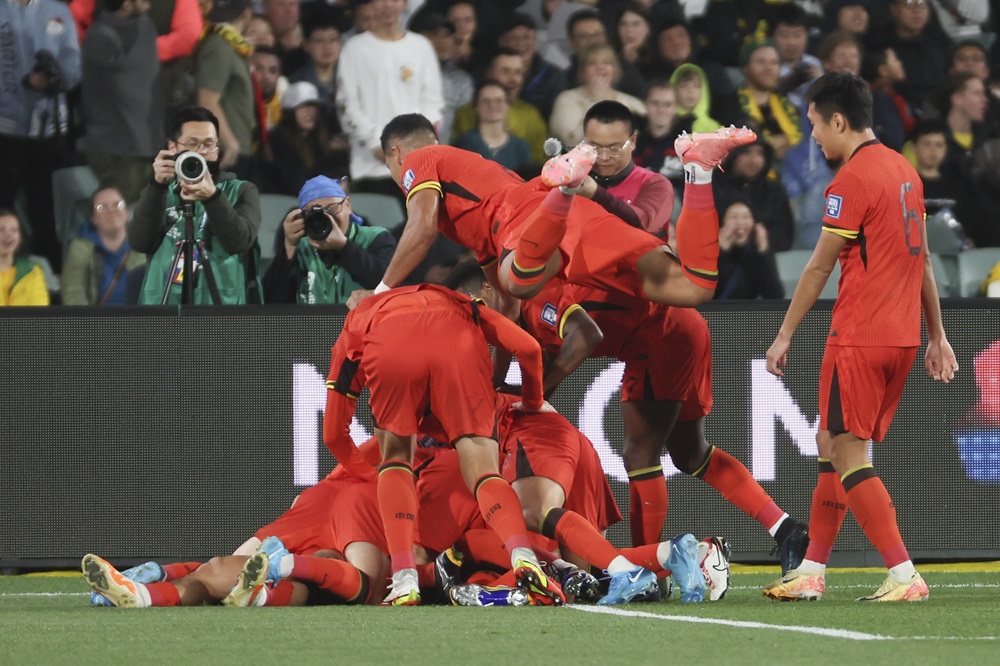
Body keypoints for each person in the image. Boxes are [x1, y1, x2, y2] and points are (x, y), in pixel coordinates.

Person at [764, 72, 958, 602]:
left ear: (839, 121)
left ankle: (902, 573)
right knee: (833, 444)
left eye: (814, 126)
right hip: (903, 337)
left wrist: (783, 335)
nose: (813, 138)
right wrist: (937, 334)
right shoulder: (904, 171)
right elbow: (920, 264)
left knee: (849, 452)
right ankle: (811, 570)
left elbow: (819, 267)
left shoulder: (850, 180)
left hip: (859, 336)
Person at [354, 113, 755, 320]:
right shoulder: (471, 195)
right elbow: (507, 308)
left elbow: (420, 228)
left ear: (395, 154)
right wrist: (500, 380)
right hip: (560, 214)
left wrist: (380, 294)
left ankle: (563, 188)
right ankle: (698, 171)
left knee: (519, 280)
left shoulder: (420, 159)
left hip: (528, 214)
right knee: (693, 289)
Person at [322, 283, 566, 606]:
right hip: (457, 336)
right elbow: (530, 349)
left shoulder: (358, 321)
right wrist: (533, 400)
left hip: (389, 342)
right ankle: (523, 554)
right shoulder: (465, 304)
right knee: (483, 473)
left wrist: (368, 475)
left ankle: (405, 578)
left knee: (395, 462)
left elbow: (333, 435)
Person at [128, 106, 262, 305]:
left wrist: (212, 197)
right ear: (172, 147)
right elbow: (139, 242)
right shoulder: (160, 191)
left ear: (217, 149)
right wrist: (156, 186)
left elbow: (239, 242)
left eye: (209, 144)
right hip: (165, 311)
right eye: (193, 144)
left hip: (219, 310)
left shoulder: (241, 191)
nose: (201, 151)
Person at [0, 0, 81, 274]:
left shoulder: (57, 12)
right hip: (4, 131)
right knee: (3, 210)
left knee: (44, 212)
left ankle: (50, 280)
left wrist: (55, 78)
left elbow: (73, 66)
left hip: (45, 132)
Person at [335, 0, 444, 197]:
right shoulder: (354, 49)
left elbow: (432, 102)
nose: (387, 5)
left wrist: (416, 145)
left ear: (405, 4)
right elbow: (347, 105)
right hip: (371, 167)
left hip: (417, 167)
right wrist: (377, 144)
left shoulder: (421, 46)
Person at [262, 176, 396, 304]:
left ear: (348, 205)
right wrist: (289, 246)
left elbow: (388, 284)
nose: (327, 217)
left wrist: (343, 247)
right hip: (311, 327)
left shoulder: (375, 237)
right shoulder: (300, 246)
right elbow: (271, 302)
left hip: (360, 326)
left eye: (332, 208)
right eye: (315, 213)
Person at [79, 0, 163, 205]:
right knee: (121, 219)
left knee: (149, 220)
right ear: (125, 4)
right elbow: (102, 95)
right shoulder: (100, 36)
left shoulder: (146, 26)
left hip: (148, 144)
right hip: (116, 148)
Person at [572, 100, 674, 238]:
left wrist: (596, 194)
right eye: (594, 147)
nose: (604, 156)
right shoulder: (571, 181)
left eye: (614, 148)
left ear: (632, 141)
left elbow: (646, 224)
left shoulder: (655, 184)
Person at [549, 43, 646, 147]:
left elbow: (643, 141)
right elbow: (572, 142)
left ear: (615, 69)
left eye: (607, 62)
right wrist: (597, 101)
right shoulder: (566, 99)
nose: (600, 67)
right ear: (582, 70)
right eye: (592, 63)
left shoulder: (632, 102)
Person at [61, 188, 147, 305]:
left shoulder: (145, 244)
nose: (111, 210)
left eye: (117, 204)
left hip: (139, 320)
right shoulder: (79, 248)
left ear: (127, 212)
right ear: (93, 218)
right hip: (97, 320)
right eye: (101, 207)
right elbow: (74, 292)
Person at [263, 82, 348, 197]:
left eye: (313, 106)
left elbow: (332, 170)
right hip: (285, 206)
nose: (310, 112)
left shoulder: (316, 139)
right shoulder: (279, 140)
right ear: (290, 112)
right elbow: (295, 183)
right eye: (303, 107)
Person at [714, 197, 784, 300]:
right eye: (733, 217)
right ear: (722, 222)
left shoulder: (757, 252)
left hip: (748, 314)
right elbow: (711, 295)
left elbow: (775, 296)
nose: (740, 222)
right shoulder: (709, 251)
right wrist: (720, 253)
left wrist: (764, 253)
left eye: (746, 216)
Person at [455, 80, 532, 172]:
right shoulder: (466, 142)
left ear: (508, 104)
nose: (492, 105)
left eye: (498, 100)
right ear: (476, 106)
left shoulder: (520, 147)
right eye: (485, 101)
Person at [0, 209, 50, 306]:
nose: (8, 235)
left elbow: (38, 313)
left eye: (14, 230)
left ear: (20, 238)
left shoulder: (32, 272)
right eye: (1, 229)